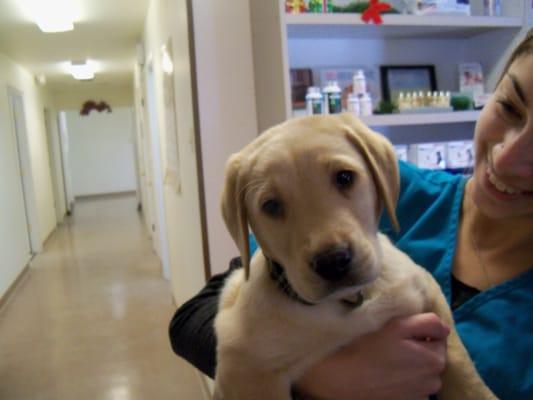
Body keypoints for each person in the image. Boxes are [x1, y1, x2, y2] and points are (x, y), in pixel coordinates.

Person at [169, 30, 533, 399]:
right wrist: (317, 377)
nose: (507, 157)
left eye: (343, 180)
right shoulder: (389, 184)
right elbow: (190, 319)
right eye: (510, 107)